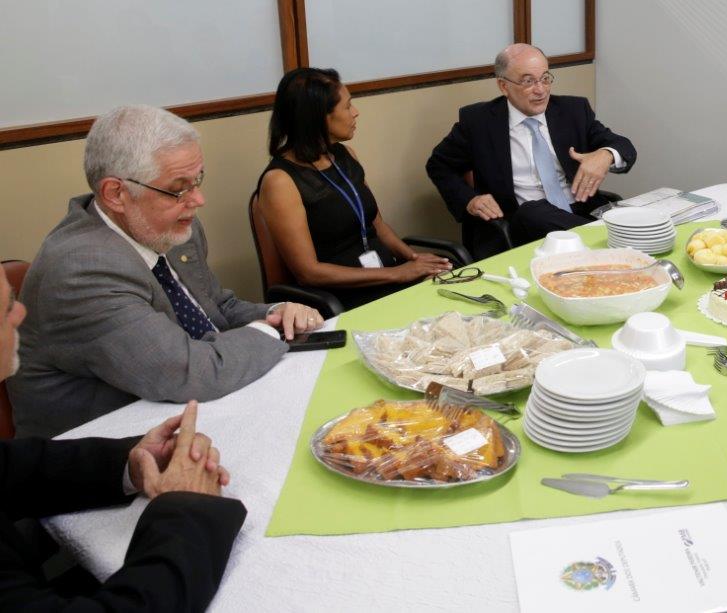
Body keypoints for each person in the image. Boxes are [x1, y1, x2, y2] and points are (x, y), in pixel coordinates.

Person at [10, 105, 322, 439]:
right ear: (116, 194)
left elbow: (217, 308)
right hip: (108, 450)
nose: (197, 199)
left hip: (191, 406)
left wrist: (278, 313)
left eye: (197, 180)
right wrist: (269, 333)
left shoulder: (167, 224)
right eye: (178, 187)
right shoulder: (82, 270)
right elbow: (191, 373)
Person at [0, 264, 246, 609]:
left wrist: (130, 464)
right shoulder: (83, 265)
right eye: (10, 306)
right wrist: (187, 508)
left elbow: (10, 467)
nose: (22, 312)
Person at [258, 68, 452, 310]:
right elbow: (310, 273)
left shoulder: (345, 156)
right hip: (339, 299)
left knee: (455, 292)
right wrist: (397, 274)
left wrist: (413, 258)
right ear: (320, 118)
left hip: (384, 279)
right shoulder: (280, 181)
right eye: (348, 107)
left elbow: (377, 225)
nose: (356, 113)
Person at [426, 43, 638, 259]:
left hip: (578, 213)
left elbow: (623, 146)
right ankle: (609, 242)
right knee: (533, 211)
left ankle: (600, 241)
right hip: (521, 223)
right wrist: (470, 200)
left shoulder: (573, 110)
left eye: (545, 78)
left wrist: (606, 154)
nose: (541, 89)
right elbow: (439, 165)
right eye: (528, 81)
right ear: (503, 86)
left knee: (635, 212)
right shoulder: (478, 122)